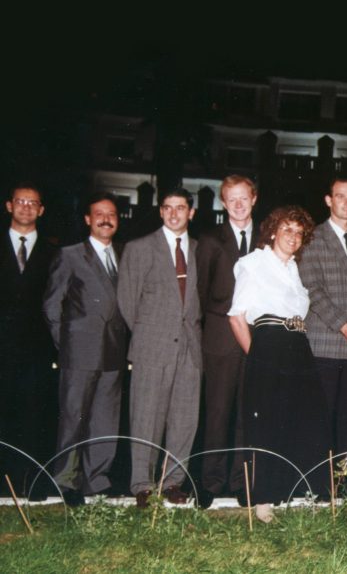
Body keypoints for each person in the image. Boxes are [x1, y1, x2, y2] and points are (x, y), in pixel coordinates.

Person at [229, 205, 330, 524]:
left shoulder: (294, 269)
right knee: (267, 424)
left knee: (299, 420)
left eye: (300, 233)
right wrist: (256, 356)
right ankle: (263, 501)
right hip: (268, 346)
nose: (294, 237)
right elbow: (236, 317)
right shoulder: (253, 263)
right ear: (273, 231)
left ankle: (286, 492)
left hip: (298, 346)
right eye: (287, 229)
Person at [117, 187, 203, 508]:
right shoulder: (140, 249)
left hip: (190, 350)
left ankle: (173, 483)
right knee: (145, 417)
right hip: (152, 347)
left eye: (180, 208)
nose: (174, 213)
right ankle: (142, 484)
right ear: (161, 211)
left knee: (183, 419)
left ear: (191, 213)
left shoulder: (198, 249)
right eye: (167, 207)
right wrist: (151, 333)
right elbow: (127, 301)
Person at [42, 192, 128, 507]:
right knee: (73, 418)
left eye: (112, 214)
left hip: (114, 353)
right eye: (99, 213)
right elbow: (53, 306)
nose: (106, 219)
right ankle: (67, 480)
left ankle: (98, 481)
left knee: (106, 420)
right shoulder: (70, 255)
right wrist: (66, 346)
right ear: (88, 219)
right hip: (79, 352)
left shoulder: (124, 254)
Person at [298, 178, 347, 488]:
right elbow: (312, 290)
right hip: (325, 344)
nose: (346, 202)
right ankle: (317, 487)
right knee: (321, 421)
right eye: (340, 196)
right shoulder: (311, 239)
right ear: (328, 200)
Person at [195, 175, 257, 508]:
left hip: (255, 338)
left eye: (243, 198)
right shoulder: (210, 239)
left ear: (253, 200)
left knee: (248, 415)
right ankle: (211, 481)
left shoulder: (266, 238)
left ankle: (241, 482)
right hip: (220, 338)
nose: (237, 204)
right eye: (231, 199)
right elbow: (201, 292)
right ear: (223, 203)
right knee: (217, 413)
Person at [0, 182, 57, 500]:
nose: (26, 207)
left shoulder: (53, 252)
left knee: (34, 417)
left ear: (41, 210)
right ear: (9, 206)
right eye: (20, 201)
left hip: (37, 351)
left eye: (33, 202)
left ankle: (29, 482)